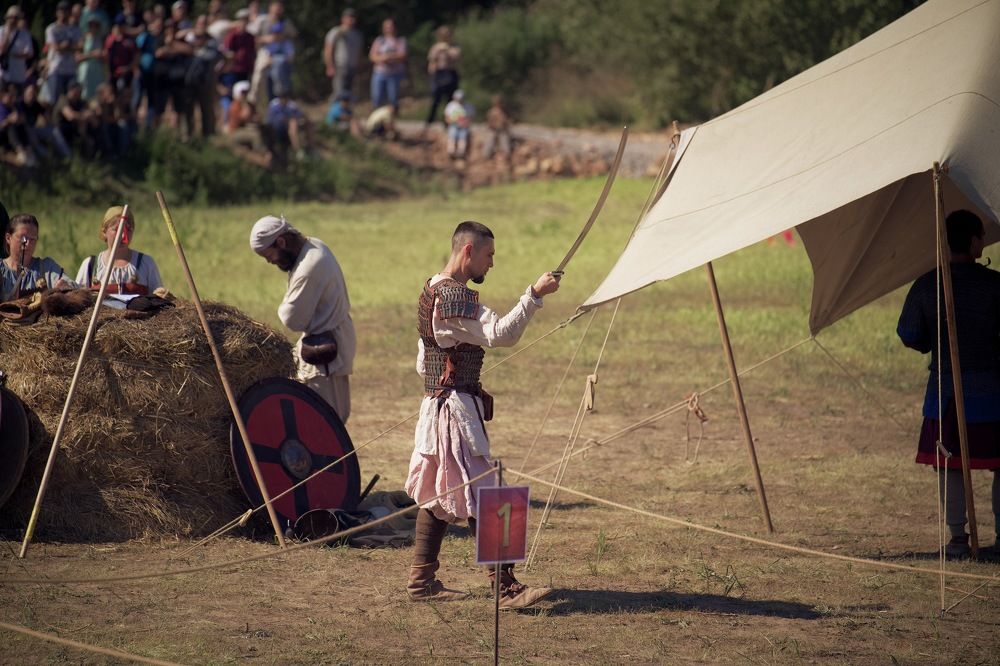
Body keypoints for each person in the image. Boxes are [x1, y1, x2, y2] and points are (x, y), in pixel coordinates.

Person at [406, 220, 560, 608]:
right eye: (489, 255)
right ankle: (505, 587)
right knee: (486, 493)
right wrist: (534, 295)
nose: (492, 263)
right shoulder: (454, 297)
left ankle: (421, 582)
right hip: (453, 413)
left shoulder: (431, 289)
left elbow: (423, 361)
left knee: (439, 495)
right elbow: (501, 334)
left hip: (440, 407)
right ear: (468, 251)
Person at [897, 209, 1000, 559]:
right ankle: (979, 539)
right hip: (989, 392)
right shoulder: (992, 284)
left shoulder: (928, 284)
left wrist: (932, 340)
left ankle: (958, 539)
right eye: (981, 237)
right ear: (973, 242)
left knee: (950, 466)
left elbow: (909, 334)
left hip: (947, 394)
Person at [249, 215, 356, 421]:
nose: (269, 261)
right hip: (329, 340)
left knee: (326, 420)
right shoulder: (314, 245)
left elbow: (292, 319)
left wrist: (283, 307)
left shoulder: (309, 267)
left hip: (325, 351)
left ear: (281, 242)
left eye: (268, 255)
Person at [75, 206, 162, 294]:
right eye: (117, 230)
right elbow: (77, 298)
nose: (123, 236)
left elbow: (158, 298)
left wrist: (162, 295)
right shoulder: (91, 265)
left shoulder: (146, 263)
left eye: (128, 230)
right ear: (104, 231)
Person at [1, 213, 74, 302]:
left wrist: (65, 287)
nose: (27, 244)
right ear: (8, 238)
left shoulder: (46, 268)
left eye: (32, 239)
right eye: (23, 238)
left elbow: (74, 288)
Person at [44, 2, 83, 104]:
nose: (63, 14)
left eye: (66, 11)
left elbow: (80, 46)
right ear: (57, 13)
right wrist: (68, 46)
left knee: (71, 100)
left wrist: (66, 46)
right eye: (61, 11)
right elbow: (55, 48)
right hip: (56, 69)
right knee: (55, 100)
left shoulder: (75, 29)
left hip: (71, 70)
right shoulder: (52, 28)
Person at [323, 8, 362, 103]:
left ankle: (346, 111)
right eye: (349, 17)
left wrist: (359, 67)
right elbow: (328, 49)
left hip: (352, 67)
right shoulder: (336, 31)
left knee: (349, 95)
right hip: (340, 66)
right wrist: (330, 66)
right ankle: (334, 111)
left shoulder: (357, 34)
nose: (351, 19)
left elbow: (359, 52)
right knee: (339, 93)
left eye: (353, 17)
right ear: (343, 18)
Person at [369, 18, 406, 114]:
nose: (389, 29)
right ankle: (376, 117)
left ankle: (392, 118)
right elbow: (372, 56)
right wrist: (383, 58)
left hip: (394, 74)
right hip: (380, 73)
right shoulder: (379, 41)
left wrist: (391, 57)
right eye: (386, 27)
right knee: (377, 97)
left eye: (390, 27)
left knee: (393, 98)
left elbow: (403, 55)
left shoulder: (400, 40)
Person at [425, 26, 459, 128]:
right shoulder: (436, 47)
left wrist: (446, 49)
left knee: (450, 98)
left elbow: (456, 56)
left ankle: (448, 121)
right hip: (439, 73)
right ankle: (430, 120)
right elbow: (431, 60)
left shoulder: (454, 46)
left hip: (450, 72)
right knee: (436, 98)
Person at [0, 6, 35, 92]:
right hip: (2, 74)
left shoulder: (24, 34)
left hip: (18, 75)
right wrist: (8, 33)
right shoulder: (1, 31)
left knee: (17, 98)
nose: (13, 20)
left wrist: (13, 55)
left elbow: (29, 53)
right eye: (10, 17)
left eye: (16, 18)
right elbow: (2, 51)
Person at [77, 15, 107, 101]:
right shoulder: (83, 39)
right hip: (86, 69)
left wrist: (101, 55)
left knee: (98, 93)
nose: (93, 28)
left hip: (98, 70)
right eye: (91, 25)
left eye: (95, 25)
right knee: (85, 93)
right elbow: (77, 57)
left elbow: (105, 56)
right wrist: (92, 54)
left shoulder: (101, 39)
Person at [443, 89, 472, 159]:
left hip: (464, 126)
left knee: (463, 137)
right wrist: (452, 121)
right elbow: (446, 117)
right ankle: (451, 151)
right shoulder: (451, 105)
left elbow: (471, 117)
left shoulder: (468, 106)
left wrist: (465, 123)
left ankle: (461, 152)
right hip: (453, 125)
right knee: (452, 136)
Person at [483, 94, 512, 160]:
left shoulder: (504, 112)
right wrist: (494, 126)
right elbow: (489, 123)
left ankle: (506, 155)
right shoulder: (491, 112)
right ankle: (486, 155)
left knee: (504, 140)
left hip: (502, 130)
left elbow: (507, 121)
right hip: (493, 130)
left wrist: (506, 125)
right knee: (490, 140)